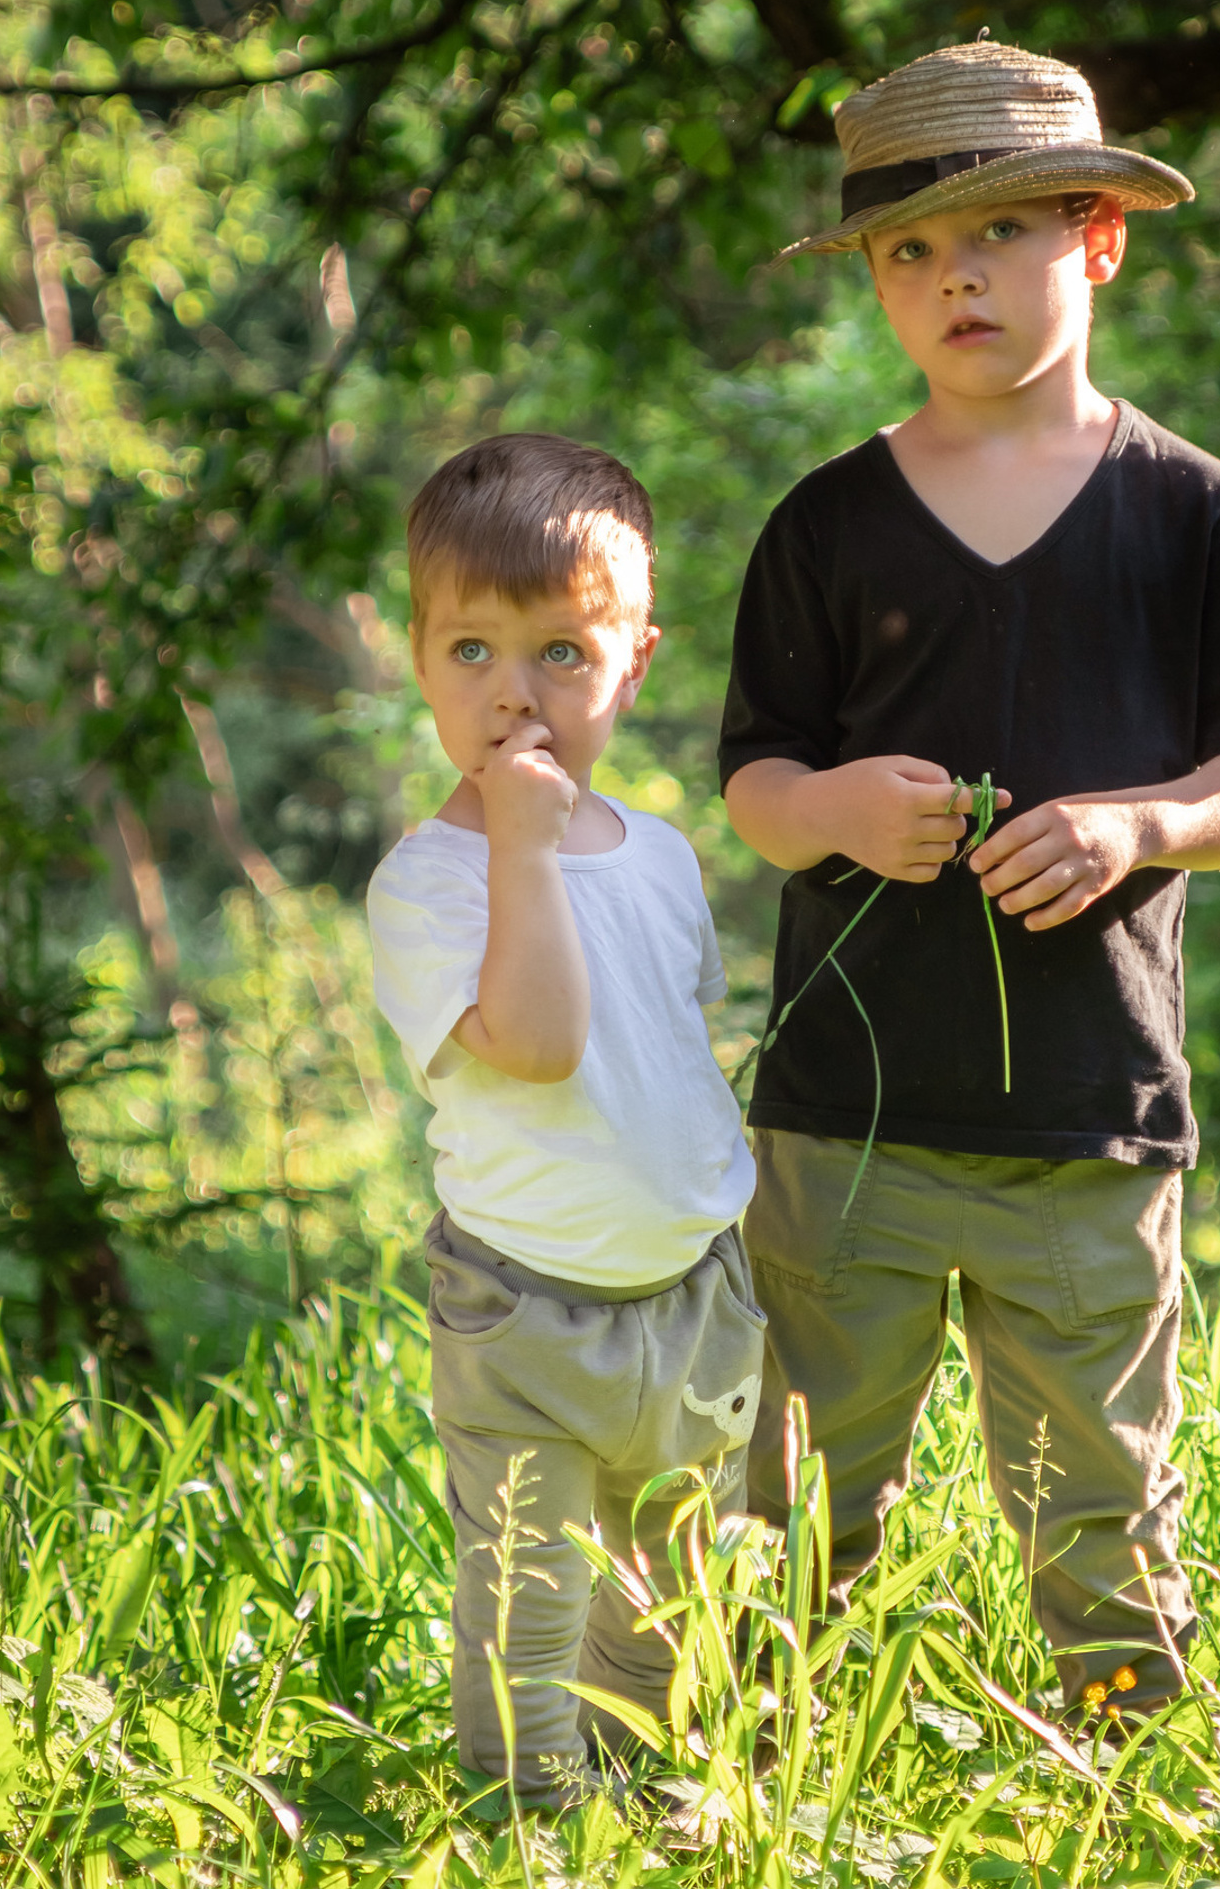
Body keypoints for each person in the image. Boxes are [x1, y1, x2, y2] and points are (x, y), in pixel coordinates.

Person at [719, 41, 1220, 1726]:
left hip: (1090, 1118)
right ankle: (751, 1787)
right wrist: (837, 804)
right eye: (907, 251)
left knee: (1104, 1520)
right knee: (786, 1513)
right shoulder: (826, 525)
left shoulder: (1190, 509)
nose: (951, 277)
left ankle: (1128, 1784)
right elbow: (755, 787)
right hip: (846, 1125)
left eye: (994, 233)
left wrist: (1141, 829)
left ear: (1100, 240)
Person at [369, 434, 760, 1809]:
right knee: (529, 1598)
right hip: (523, 1311)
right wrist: (523, 845)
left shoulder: (658, 853)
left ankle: (648, 1797)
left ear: (634, 664)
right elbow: (538, 1048)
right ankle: (526, 1821)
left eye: (561, 655)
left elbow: (675, 1044)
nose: (513, 696)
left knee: (666, 1602)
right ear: (417, 658)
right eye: (470, 653)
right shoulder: (430, 884)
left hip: (690, 1299)